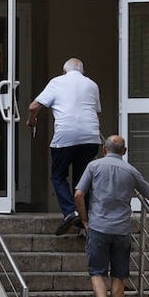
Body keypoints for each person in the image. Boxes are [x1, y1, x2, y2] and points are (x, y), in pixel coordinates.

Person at [73, 135, 149, 297]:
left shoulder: (94, 166)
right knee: (119, 275)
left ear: (104, 149)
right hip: (122, 230)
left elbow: (78, 194)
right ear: (124, 152)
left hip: (99, 227)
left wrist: (85, 220)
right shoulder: (130, 170)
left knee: (96, 272)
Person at [26, 57, 102, 235]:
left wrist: (32, 121)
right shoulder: (92, 84)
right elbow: (96, 113)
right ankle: (84, 225)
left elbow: (33, 106)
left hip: (66, 137)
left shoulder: (57, 82)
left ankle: (70, 212)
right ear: (82, 72)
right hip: (91, 137)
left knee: (58, 176)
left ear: (64, 71)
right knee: (82, 181)